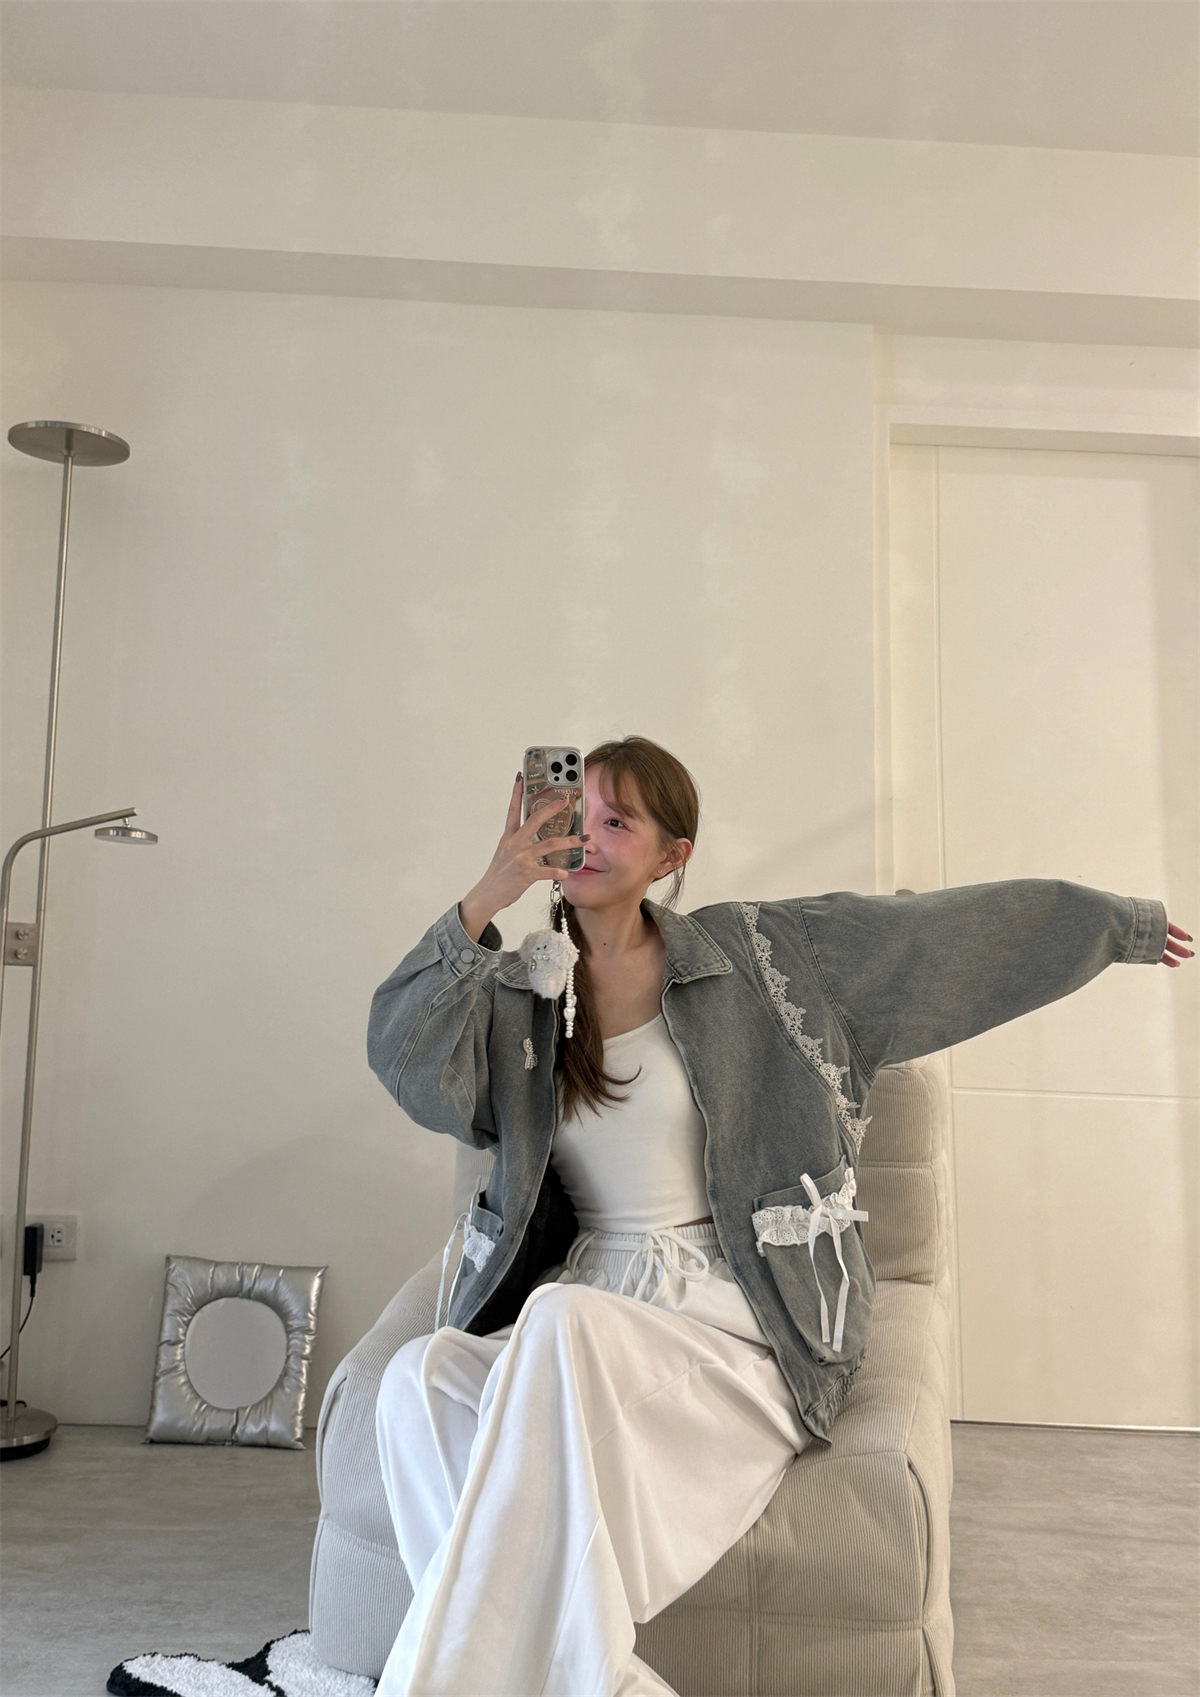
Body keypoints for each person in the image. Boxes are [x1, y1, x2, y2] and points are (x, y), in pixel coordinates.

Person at [366, 736, 1191, 1697]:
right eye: (574, 815)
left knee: (558, 1321)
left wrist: (1109, 924)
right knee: (417, 1379)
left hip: (733, 1312)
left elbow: (933, 938)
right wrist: (491, 892)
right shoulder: (523, 994)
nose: (587, 837)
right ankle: (588, 1678)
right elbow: (405, 1060)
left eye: (617, 821)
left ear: (671, 856)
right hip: (593, 1312)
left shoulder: (760, 960)